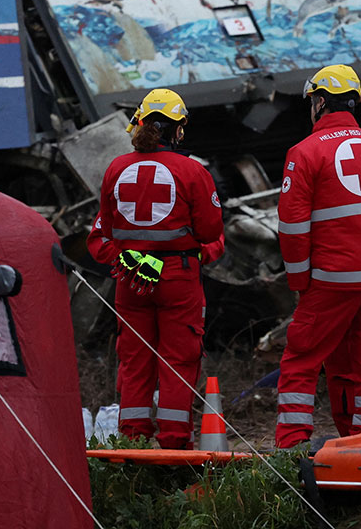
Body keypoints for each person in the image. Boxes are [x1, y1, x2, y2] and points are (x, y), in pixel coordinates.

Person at [275, 64, 361, 449]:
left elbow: (293, 226)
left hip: (333, 277)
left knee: (302, 357)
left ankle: (291, 443)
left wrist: (300, 280)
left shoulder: (303, 153)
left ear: (319, 102)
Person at [88, 88, 224, 449]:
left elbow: (103, 233)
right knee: (179, 361)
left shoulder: (116, 168)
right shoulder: (193, 171)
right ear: (178, 130)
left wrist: (130, 257)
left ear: (141, 123)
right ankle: (175, 444)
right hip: (178, 277)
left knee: (134, 362)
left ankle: (132, 443)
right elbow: (211, 232)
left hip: (131, 277)